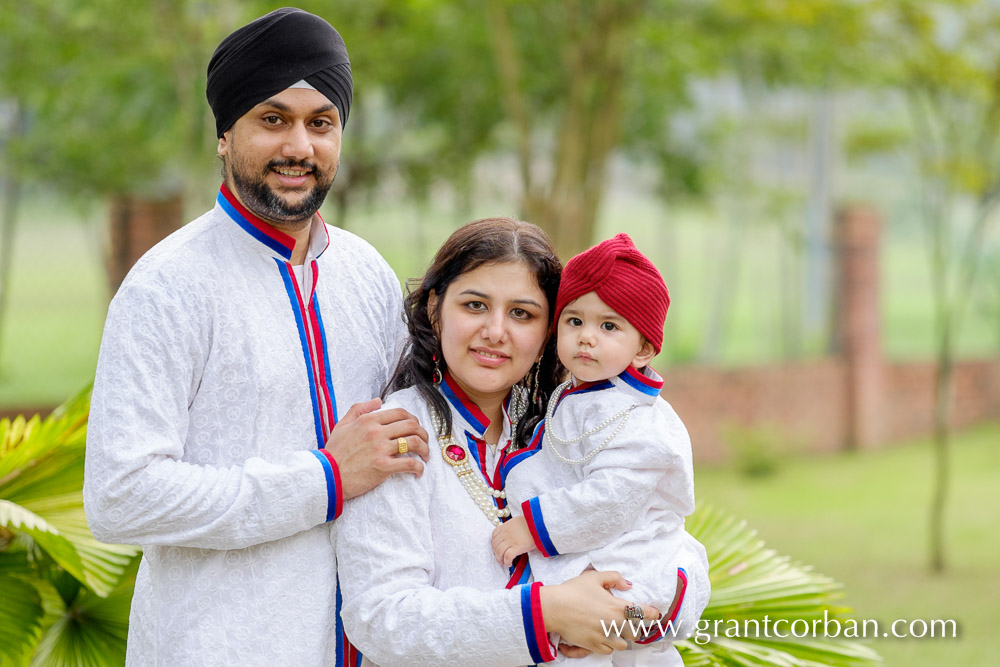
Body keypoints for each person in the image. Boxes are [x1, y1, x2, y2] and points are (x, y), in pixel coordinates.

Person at [83, 8, 429, 665]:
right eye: (273, 119)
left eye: (320, 123)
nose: (299, 146)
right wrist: (323, 478)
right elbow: (119, 495)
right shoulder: (167, 286)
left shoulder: (367, 276)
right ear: (224, 133)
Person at [336, 219, 667, 666]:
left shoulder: (572, 429)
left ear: (550, 329)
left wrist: (640, 611)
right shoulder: (396, 434)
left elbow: (661, 541)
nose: (496, 331)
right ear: (436, 308)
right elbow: (381, 618)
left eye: (521, 313)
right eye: (474, 305)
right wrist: (544, 613)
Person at [491, 233, 711, 666]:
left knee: (626, 629)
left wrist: (531, 528)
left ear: (644, 348)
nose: (586, 337)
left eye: (609, 326)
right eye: (574, 321)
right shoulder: (581, 394)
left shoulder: (640, 420)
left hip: (633, 555)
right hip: (596, 551)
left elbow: (611, 498)